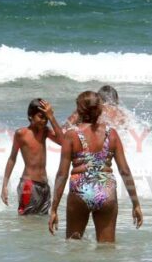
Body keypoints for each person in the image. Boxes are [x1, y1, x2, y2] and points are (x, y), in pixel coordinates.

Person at [49, 91, 143, 242]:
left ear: (79, 110)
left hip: (80, 191)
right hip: (106, 192)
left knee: (74, 247)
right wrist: (136, 204)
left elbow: (62, 174)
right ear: (100, 109)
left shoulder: (71, 135)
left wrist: (53, 209)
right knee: (107, 249)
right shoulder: (111, 134)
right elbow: (124, 171)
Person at [1, 99, 64, 215]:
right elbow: (12, 158)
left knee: (41, 223)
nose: (44, 121)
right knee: (26, 221)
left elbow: (63, 142)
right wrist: (4, 185)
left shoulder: (45, 131)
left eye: (46, 118)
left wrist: (52, 118)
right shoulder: (21, 133)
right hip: (29, 185)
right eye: (41, 117)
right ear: (31, 116)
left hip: (44, 186)